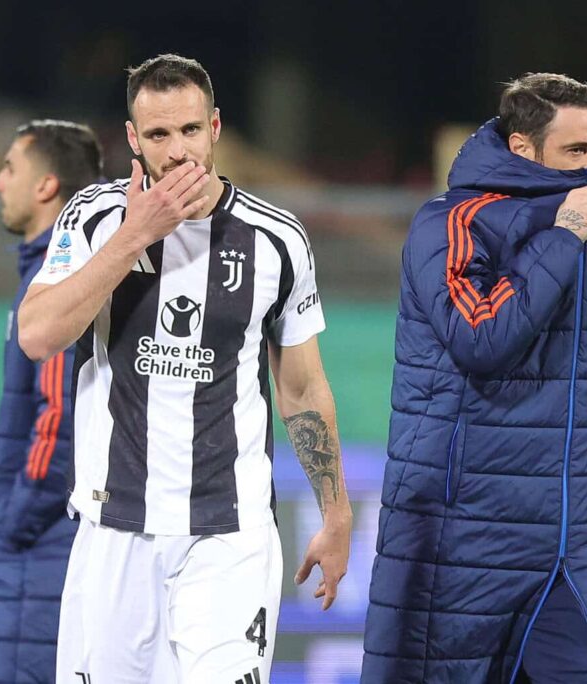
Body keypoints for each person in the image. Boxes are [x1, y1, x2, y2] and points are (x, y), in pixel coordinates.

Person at [18, 54, 352, 683]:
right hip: (115, 525)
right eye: (158, 134)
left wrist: (335, 515)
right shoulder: (94, 217)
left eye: (191, 130)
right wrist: (133, 237)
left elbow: (302, 387)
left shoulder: (276, 239)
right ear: (132, 139)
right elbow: (36, 335)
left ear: (215, 127)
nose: (177, 151)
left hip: (229, 533)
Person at [361, 73, 587, 683]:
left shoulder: (583, 229)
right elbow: (481, 337)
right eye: (575, 150)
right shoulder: (452, 222)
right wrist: (562, 236)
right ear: (521, 147)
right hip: (464, 539)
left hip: (564, 539)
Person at [0, 119, 103, 684]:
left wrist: (16, 517)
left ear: (47, 186)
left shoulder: (58, 279)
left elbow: (59, 414)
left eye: (9, 169)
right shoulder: (55, 272)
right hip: (41, 543)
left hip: (41, 544)